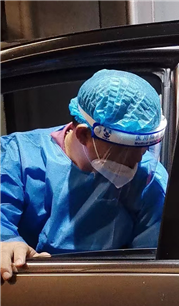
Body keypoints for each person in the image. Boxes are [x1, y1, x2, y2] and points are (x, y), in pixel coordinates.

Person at [1, 69, 168, 281]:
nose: (137, 159)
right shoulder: (18, 155)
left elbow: (153, 266)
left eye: (144, 147)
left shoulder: (150, 179)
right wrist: (7, 244)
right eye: (125, 149)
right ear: (83, 134)